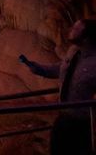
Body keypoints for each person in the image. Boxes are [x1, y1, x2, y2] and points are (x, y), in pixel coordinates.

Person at [20, 19, 96, 154]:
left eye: (76, 29)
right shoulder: (73, 51)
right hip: (63, 116)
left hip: (84, 123)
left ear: (86, 37)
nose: (70, 29)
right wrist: (38, 68)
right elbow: (60, 69)